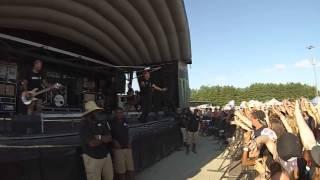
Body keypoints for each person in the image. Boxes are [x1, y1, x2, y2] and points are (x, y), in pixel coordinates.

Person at [80, 101, 114, 180]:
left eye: (96, 111)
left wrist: (98, 137)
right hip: (92, 157)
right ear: (89, 113)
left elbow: (109, 138)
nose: (97, 113)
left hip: (105, 155)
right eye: (95, 111)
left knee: (110, 178)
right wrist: (103, 138)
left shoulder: (101, 122)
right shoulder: (84, 125)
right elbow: (92, 143)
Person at [110, 107, 135, 180]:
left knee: (131, 169)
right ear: (115, 114)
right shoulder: (111, 123)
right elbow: (109, 135)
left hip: (128, 148)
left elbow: (130, 132)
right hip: (118, 150)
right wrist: (114, 141)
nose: (120, 114)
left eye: (121, 112)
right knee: (121, 171)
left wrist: (130, 141)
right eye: (118, 113)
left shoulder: (125, 121)